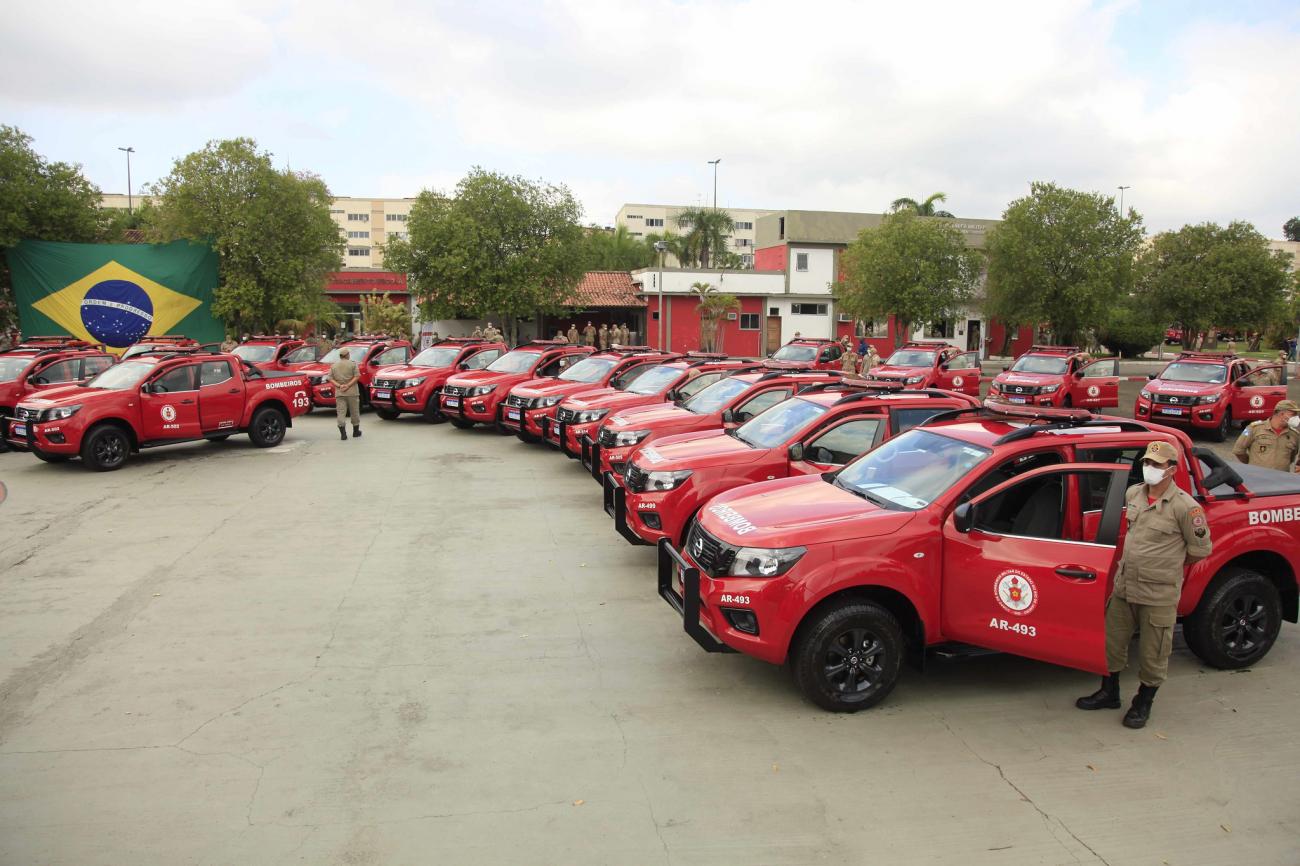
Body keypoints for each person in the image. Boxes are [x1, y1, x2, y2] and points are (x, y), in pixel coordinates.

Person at [1076, 441, 1212, 728]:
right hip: (1125, 586)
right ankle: (1109, 692)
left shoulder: (1186, 507)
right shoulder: (1134, 493)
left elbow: (1199, 550)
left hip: (1158, 593)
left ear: (1171, 470)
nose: (1149, 468)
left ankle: (1143, 702)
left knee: (1154, 653)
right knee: (1111, 644)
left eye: (1156, 465)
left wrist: (1164, 565)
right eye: (1147, 462)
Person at [1232, 400, 1300, 472]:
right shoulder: (1254, 428)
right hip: (1257, 475)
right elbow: (1238, 451)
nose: (1296, 417)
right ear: (1281, 414)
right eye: (1293, 414)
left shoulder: (1294, 434)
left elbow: (1291, 457)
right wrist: (1252, 464)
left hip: (1281, 477)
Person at [330, 347, 362, 441]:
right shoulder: (353, 364)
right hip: (352, 392)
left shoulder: (334, 365)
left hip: (340, 392)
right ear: (347, 355)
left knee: (341, 412)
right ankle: (356, 432)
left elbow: (330, 378)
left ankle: (343, 434)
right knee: (354, 411)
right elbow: (357, 376)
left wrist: (339, 386)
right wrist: (348, 385)